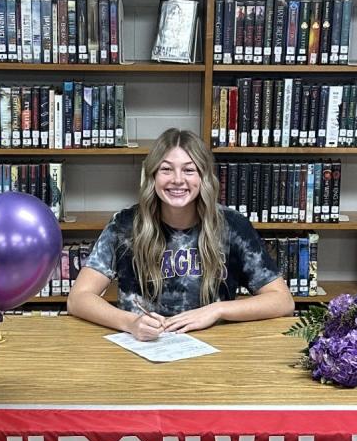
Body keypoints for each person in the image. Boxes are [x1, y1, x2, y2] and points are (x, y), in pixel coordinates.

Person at [67, 128, 295, 341]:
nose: (177, 180)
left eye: (189, 170)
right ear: (152, 176)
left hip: (215, 348)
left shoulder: (232, 226)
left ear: (203, 177)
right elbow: (78, 299)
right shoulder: (125, 225)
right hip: (143, 348)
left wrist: (217, 310)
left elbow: (282, 301)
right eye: (166, 169)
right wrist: (130, 323)